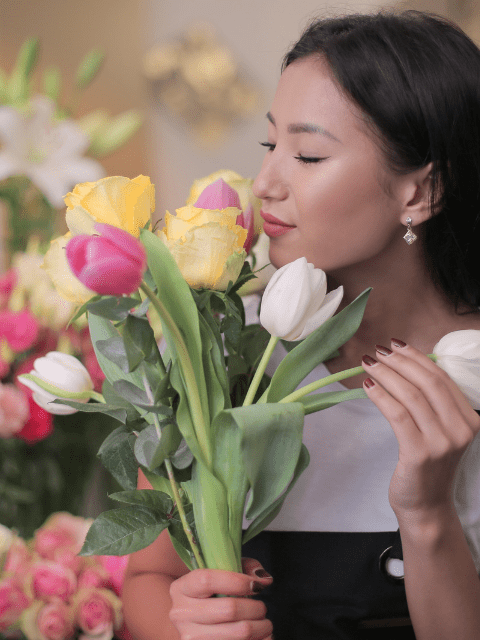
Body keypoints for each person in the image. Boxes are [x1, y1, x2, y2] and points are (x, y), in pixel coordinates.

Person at [122, 10, 480, 640]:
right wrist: (188, 625)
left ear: (420, 193)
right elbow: (148, 580)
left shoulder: (467, 369)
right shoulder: (218, 347)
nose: (265, 184)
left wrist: (427, 514)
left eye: (309, 155)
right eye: (270, 145)